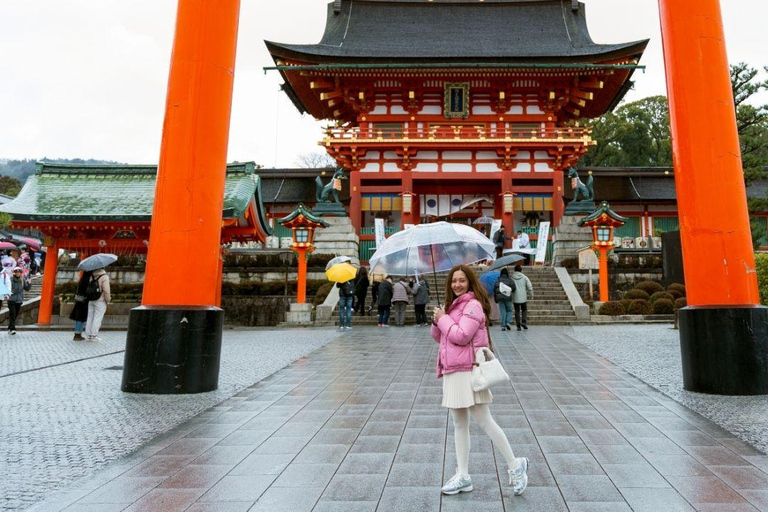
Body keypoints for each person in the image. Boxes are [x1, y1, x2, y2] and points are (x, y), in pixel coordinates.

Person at [431, 265, 528, 496]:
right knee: (459, 424)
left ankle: (515, 465)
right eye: (454, 281)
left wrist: (444, 319)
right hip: (452, 370)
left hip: (469, 370)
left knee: (484, 420)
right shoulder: (453, 306)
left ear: (470, 282)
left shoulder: (473, 305)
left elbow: (462, 336)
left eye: (462, 280)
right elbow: (439, 337)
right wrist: (438, 320)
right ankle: (463, 476)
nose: (457, 284)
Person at [85, 268, 111, 341]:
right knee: (98, 317)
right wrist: (108, 299)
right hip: (100, 300)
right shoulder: (104, 277)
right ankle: (94, 335)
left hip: (91, 299)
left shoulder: (92, 276)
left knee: (90, 317)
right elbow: (106, 290)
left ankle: (89, 335)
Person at [69, 271, 93, 341]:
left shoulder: (82, 281)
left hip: (79, 301)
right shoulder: (87, 282)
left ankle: (77, 333)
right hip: (83, 301)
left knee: (79, 318)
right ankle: (78, 334)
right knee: (80, 318)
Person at [511, 265, 534, 331]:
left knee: (517, 311)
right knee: (524, 310)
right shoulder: (524, 277)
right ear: (521, 270)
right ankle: (524, 322)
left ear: (515, 270)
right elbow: (529, 287)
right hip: (523, 297)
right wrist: (531, 294)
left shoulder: (512, 278)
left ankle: (518, 326)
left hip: (515, 297)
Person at [6, 266, 25, 335]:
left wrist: (29, 283)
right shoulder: (11, 279)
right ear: (14, 273)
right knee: (12, 314)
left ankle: (9, 327)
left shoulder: (22, 280)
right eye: (16, 272)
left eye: (19, 272)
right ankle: (12, 329)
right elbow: (10, 289)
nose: (18, 273)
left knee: (15, 315)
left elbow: (27, 288)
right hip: (11, 300)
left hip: (19, 300)